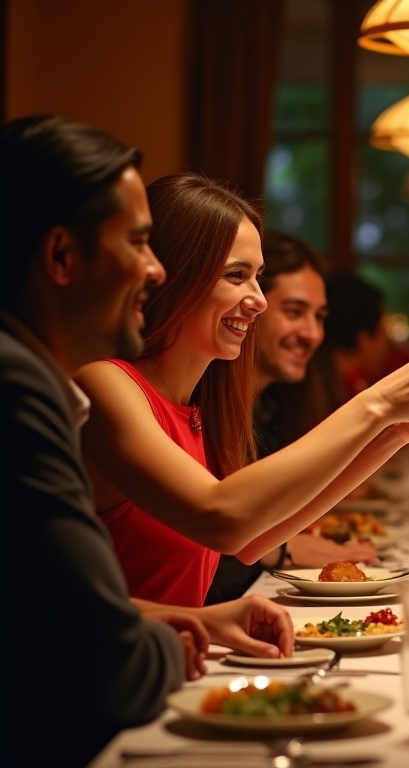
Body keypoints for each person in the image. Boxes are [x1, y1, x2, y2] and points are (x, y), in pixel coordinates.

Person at [1, 115, 293, 766]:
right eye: (138, 242)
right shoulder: (54, 384)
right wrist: (384, 406)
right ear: (59, 257)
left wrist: (186, 619)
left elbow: (50, 599)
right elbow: (93, 645)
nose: (154, 269)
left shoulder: (187, 404)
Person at [76, 172, 409, 607]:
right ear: (172, 275)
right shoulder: (105, 385)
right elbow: (222, 518)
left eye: (258, 277)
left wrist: (397, 431)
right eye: (236, 275)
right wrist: (380, 402)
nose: (259, 299)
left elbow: (251, 540)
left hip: (174, 666)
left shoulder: (198, 407)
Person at [205, 231, 376, 604]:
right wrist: (283, 551)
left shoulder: (275, 404)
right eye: (294, 312)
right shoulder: (194, 402)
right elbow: (214, 533)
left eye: (319, 317)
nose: (313, 334)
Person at [324, 270, 409, 395]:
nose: (388, 346)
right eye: (384, 335)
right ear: (364, 339)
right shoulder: (349, 394)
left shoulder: (321, 384)